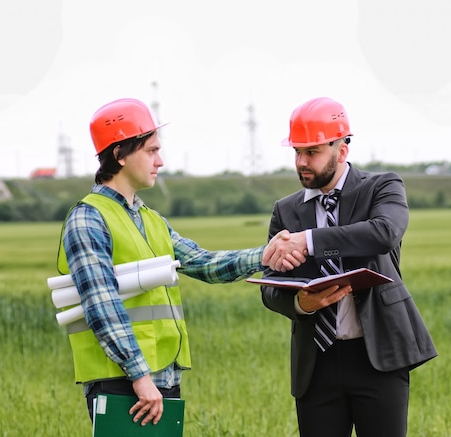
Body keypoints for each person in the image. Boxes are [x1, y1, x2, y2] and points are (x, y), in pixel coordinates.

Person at [55, 97, 305, 426]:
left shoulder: (151, 220)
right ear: (119, 154)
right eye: (151, 150)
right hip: (123, 382)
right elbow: (102, 305)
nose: (160, 161)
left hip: (163, 379)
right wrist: (140, 377)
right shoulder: (88, 218)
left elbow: (203, 263)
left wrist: (265, 254)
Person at [260, 97, 438, 437]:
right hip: (316, 364)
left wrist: (309, 240)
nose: (301, 162)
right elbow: (270, 287)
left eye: (311, 152)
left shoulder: (382, 187)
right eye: (297, 152)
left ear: (341, 149)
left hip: (378, 357)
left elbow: (383, 233)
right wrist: (299, 303)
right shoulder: (285, 210)